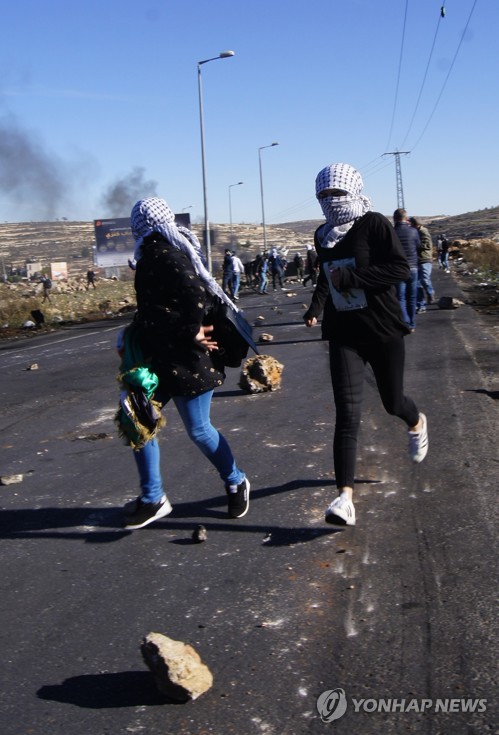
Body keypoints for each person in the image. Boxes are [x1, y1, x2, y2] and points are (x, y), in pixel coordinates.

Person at [303, 163, 428, 527]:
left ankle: (416, 422)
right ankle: (344, 498)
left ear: (353, 191)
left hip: (383, 328)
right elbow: (327, 278)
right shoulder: (322, 234)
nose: (330, 201)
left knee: (392, 402)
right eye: (323, 196)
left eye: (336, 194)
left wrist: (354, 276)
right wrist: (315, 307)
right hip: (343, 333)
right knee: (347, 414)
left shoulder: (373, 224)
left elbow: (399, 269)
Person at [120, 197, 250, 530]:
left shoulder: (163, 254)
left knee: (199, 430)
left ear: (139, 226)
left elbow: (195, 294)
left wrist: (192, 330)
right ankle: (153, 498)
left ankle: (236, 480)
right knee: (139, 419)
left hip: (187, 360)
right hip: (160, 358)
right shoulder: (158, 252)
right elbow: (159, 306)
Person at [393, 208, 420, 331]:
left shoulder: (392, 232)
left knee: (401, 298)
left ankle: (406, 322)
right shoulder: (413, 231)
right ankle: (412, 323)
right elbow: (418, 246)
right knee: (412, 297)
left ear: (395, 219)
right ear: (406, 218)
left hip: (398, 269)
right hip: (413, 267)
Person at [410, 217, 435, 313]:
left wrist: (415, 245)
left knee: (424, 279)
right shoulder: (414, 232)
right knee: (417, 284)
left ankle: (430, 292)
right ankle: (421, 305)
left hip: (425, 258)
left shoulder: (424, 232)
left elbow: (427, 245)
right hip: (417, 260)